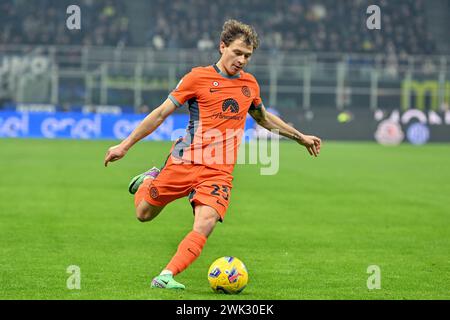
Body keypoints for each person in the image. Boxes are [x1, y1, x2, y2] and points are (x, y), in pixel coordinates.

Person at [104, 19, 321, 290]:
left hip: (218, 172)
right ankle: (150, 179)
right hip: (184, 161)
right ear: (222, 47)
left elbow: (264, 119)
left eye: (247, 56)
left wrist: (300, 137)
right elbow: (160, 114)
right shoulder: (197, 78)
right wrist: (124, 145)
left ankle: (166, 276)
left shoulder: (250, 85)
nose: (242, 60)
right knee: (143, 213)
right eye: (237, 53)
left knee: (205, 223)